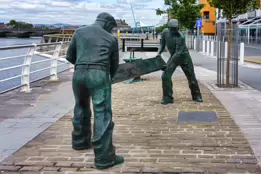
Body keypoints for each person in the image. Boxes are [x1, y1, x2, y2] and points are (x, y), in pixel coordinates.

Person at [66, 12, 124, 169]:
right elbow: (114, 65)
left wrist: (82, 63)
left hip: (78, 74)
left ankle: (80, 141)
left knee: (80, 106)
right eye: (111, 27)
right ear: (107, 24)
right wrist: (107, 78)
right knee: (102, 113)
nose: (111, 31)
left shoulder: (79, 32)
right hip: (99, 74)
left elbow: (69, 56)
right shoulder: (111, 39)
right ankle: (104, 157)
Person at [157, 19, 203, 105]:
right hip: (173, 56)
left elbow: (178, 53)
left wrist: (167, 64)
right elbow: (162, 45)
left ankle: (196, 95)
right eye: (173, 29)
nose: (175, 31)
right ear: (169, 28)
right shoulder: (165, 32)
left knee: (191, 77)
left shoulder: (181, 37)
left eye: (176, 28)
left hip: (184, 57)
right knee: (165, 76)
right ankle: (167, 97)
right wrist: (158, 54)